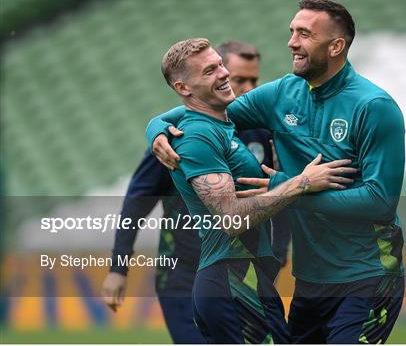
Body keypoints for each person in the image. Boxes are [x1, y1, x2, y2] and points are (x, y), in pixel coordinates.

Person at [147, 0, 406, 344]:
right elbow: (206, 113)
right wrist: (156, 128)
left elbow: (380, 202)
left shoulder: (374, 107)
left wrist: (289, 191)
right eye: (292, 32)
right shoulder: (283, 93)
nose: (292, 42)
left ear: (336, 46)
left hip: (368, 275)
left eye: (304, 34)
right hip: (311, 280)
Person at [157, 38, 355, 344]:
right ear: (184, 88)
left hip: (245, 277)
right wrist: (302, 183)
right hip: (233, 280)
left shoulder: (222, 125)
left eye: (220, 65)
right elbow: (231, 219)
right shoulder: (197, 137)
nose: (223, 74)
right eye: (209, 71)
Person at [101, 41, 290, 343]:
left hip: (246, 273)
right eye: (240, 79)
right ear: (190, 85)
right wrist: (118, 266)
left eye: (253, 80)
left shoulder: (258, 131)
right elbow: (137, 202)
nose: (247, 87)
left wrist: (276, 256)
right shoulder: (174, 137)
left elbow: (270, 197)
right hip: (184, 274)